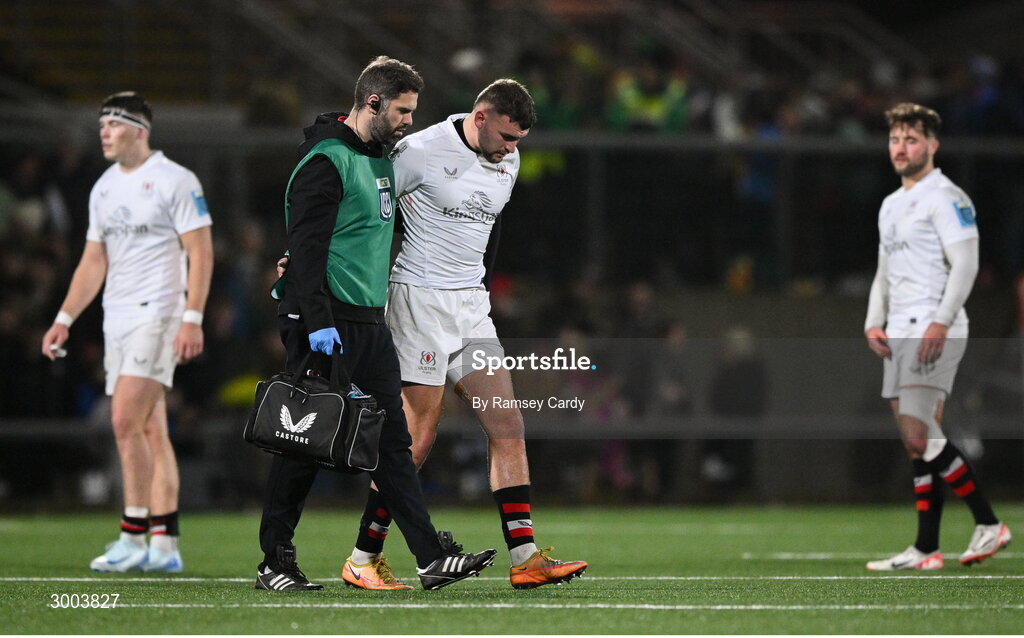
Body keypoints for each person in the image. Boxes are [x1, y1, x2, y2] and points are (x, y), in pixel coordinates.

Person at [258, 56, 496, 592]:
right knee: (303, 443)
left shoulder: (378, 159)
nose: (409, 120)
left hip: (368, 322)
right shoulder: (326, 161)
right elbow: (307, 249)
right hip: (325, 323)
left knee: (393, 444)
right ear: (373, 102)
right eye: (404, 110)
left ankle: (430, 557)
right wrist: (317, 320)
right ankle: (274, 561)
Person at [340, 79, 587, 589]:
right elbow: (370, 211)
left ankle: (525, 556)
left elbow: (485, 232)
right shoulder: (419, 151)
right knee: (418, 435)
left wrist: (480, 289)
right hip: (418, 301)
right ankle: (363, 557)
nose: (511, 149)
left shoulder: (509, 159)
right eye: (505, 135)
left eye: (518, 140)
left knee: (508, 426)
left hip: (471, 308)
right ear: (479, 117)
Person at [41, 92, 214, 573]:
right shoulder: (103, 188)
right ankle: (165, 545)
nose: (104, 134)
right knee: (151, 431)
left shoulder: (175, 181)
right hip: (117, 318)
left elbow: (199, 252)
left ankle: (132, 535)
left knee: (122, 421)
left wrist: (192, 316)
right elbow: (93, 261)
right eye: (101, 127)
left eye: (112, 126)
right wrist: (64, 318)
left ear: (139, 129)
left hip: (157, 314)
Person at [863, 103, 1011, 571]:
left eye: (911, 139)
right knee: (920, 442)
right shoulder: (891, 204)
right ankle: (927, 549)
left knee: (918, 433)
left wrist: (942, 321)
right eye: (895, 140)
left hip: (933, 327)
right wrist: (873, 319)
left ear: (932, 145)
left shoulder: (947, 196)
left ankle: (989, 524)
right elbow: (883, 273)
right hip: (900, 328)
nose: (901, 148)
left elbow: (966, 264)